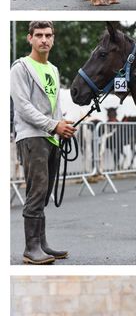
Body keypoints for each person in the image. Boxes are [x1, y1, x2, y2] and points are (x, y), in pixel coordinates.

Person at [11, 21, 75, 265]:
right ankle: (31, 248)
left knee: (44, 193)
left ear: (53, 39)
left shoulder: (53, 69)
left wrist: (63, 125)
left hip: (51, 137)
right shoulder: (21, 68)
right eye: (38, 35)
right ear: (29, 38)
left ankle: (42, 243)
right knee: (36, 192)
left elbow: (53, 105)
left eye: (48, 35)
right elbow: (24, 107)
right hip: (32, 136)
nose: (44, 40)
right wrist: (53, 125)